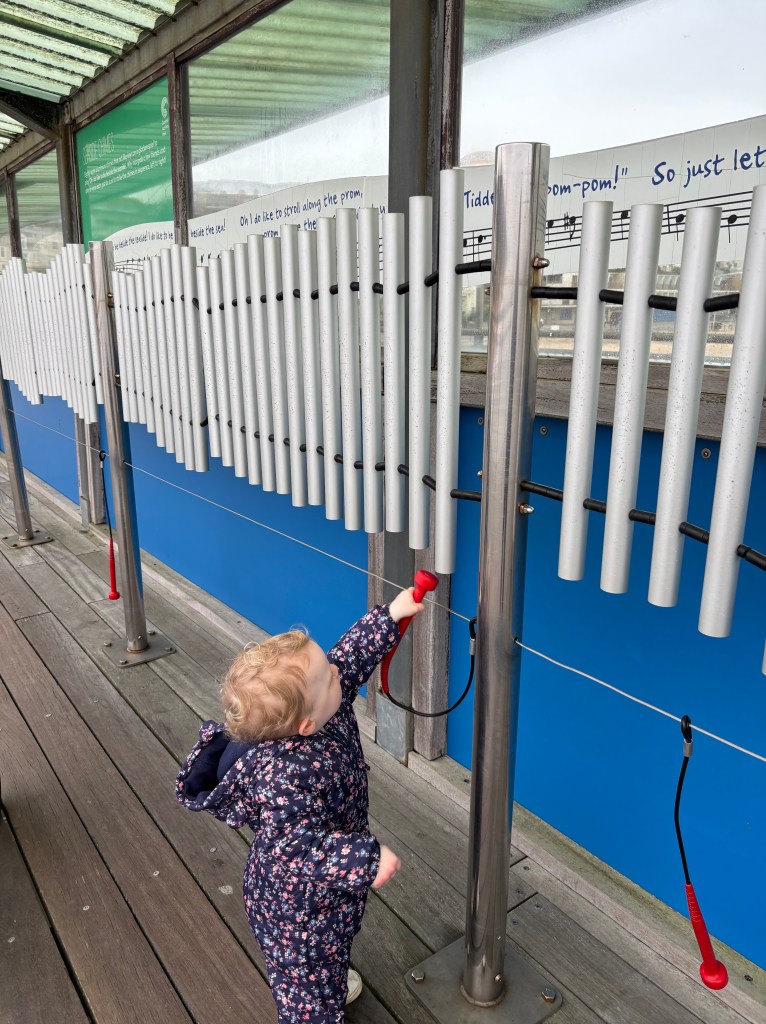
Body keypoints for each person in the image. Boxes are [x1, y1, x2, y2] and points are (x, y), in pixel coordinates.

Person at [175, 588, 424, 1023]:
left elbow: (347, 659)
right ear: (305, 723)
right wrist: (367, 860)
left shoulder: (320, 704)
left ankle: (329, 978)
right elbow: (300, 849)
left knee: (331, 953)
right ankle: (318, 1000)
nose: (335, 670)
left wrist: (390, 616)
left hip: (324, 896)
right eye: (326, 676)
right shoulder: (285, 777)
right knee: (307, 996)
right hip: (298, 915)